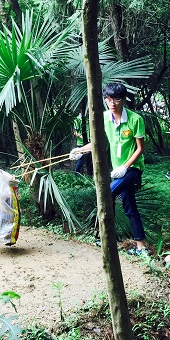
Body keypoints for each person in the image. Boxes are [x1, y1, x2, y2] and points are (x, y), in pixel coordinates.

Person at [70, 83, 147, 255]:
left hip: (133, 168)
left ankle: (106, 237)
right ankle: (141, 247)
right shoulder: (104, 117)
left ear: (124, 100)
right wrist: (79, 150)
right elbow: (98, 142)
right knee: (130, 207)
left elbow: (140, 149)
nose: (112, 103)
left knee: (107, 193)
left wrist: (125, 167)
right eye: (109, 99)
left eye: (116, 99)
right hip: (117, 171)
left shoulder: (135, 119)